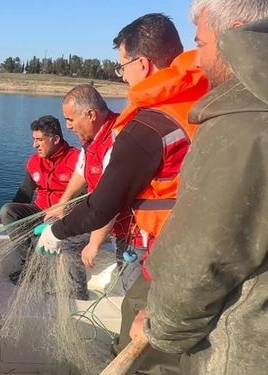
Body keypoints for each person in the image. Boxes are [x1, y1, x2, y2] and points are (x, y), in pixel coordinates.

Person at [35, 13, 209, 374]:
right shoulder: (206, 102)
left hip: (169, 248)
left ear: (143, 64)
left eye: (123, 66)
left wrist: (57, 230)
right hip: (204, 236)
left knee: (137, 322)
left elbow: (101, 207)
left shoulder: (148, 127)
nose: (122, 75)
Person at [128, 2, 268, 374]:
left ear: (236, 33)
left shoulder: (243, 124)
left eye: (201, 44)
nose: (198, 60)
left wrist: (159, 327)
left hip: (244, 350)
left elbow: (204, 256)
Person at [50, 84, 146, 291]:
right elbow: (81, 171)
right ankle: (76, 296)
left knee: (133, 289)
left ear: (91, 115)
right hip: (103, 217)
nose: (67, 126)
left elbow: (112, 200)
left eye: (70, 119)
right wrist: (62, 203)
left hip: (133, 230)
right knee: (68, 242)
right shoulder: (92, 139)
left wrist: (94, 244)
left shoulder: (119, 140)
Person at [0, 115, 89, 299]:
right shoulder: (34, 161)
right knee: (7, 211)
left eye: (39, 140)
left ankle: (63, 282)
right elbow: (24, 192)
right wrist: (1, 215)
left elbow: (87, 198)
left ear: (55, 139)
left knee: (54, 229)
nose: (35, 145)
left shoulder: (78, 161)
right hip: (40, 210)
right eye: (34, 139)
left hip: (65, 214)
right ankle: (32, 263)